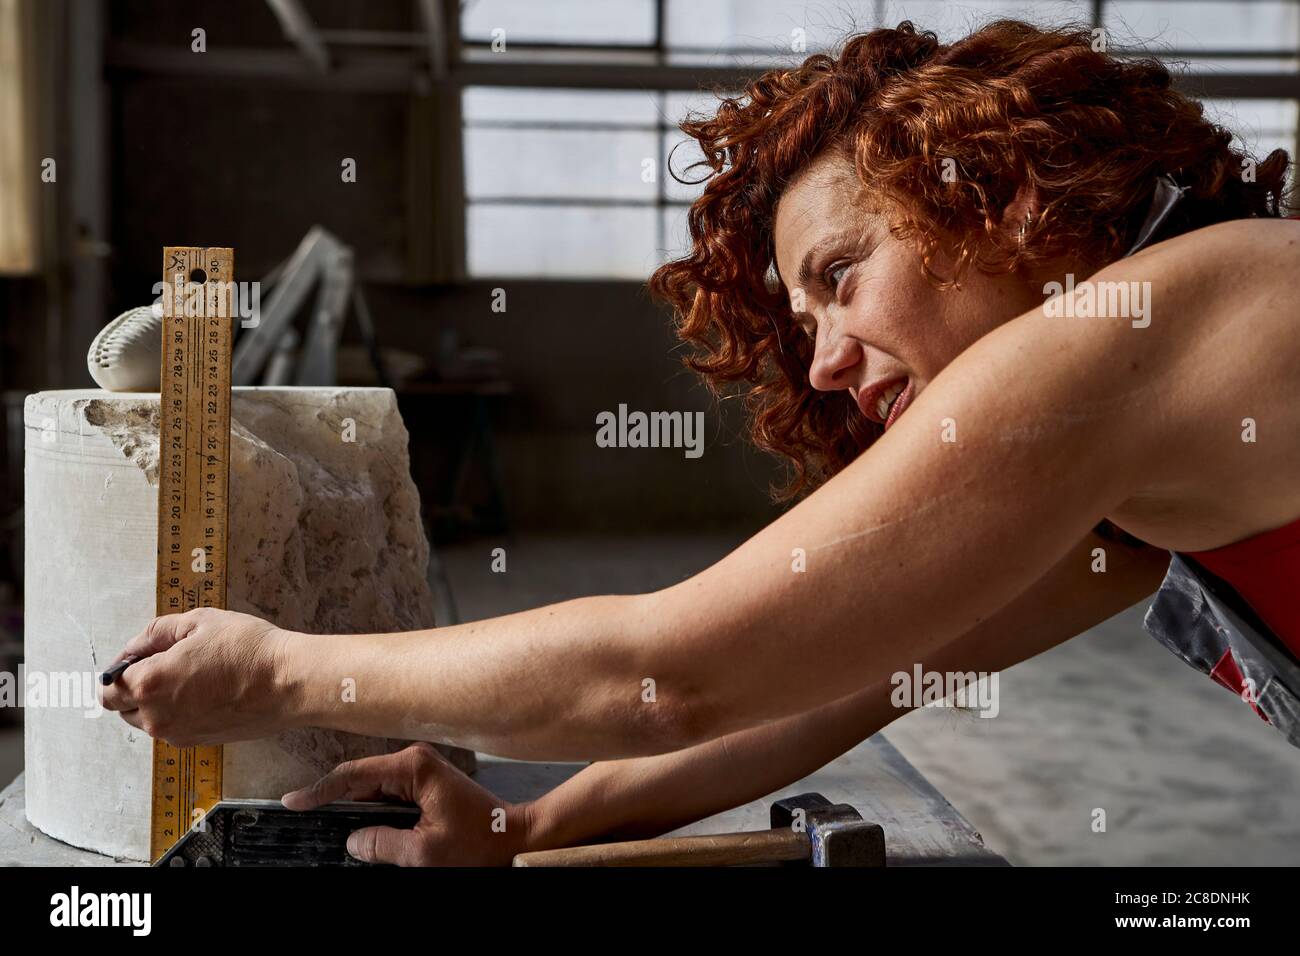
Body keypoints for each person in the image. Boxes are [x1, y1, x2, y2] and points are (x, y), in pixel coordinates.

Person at [101, 21, 1299, 865]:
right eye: (806, 319)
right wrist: (528, 826)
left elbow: (664, 673)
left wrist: (274, 671)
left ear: (989, 185)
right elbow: (826, 685)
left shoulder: (1150, 321)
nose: (825, 359)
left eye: (840, 274)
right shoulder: (1132, 462)